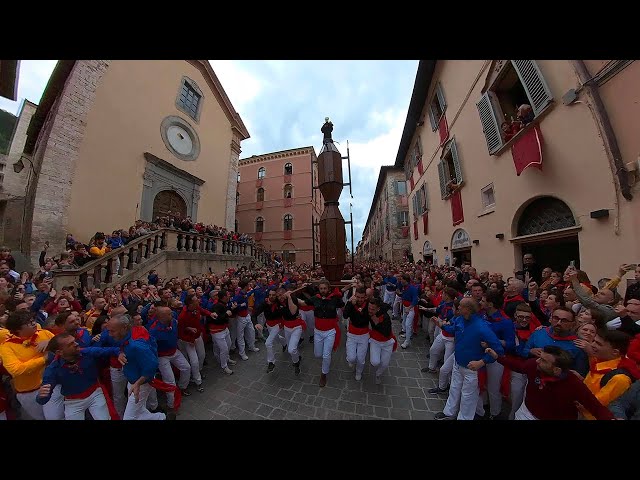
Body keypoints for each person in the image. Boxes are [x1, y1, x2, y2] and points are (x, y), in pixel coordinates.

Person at [485, 345, 614, 420]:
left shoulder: (574, 384)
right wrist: (498, 357)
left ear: (557, 369)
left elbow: (594, 406)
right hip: (526, 414)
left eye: (543, 361)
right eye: (540, 357)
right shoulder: (533, 366)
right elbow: (518, 366)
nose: (537, 361)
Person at [434, 298, 504, 420]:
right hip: (458, 362)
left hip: (472, 368)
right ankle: (449, 413)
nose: (458, 308)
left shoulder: (483, 327)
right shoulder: (460, 319)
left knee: (468, 396)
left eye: (461, 306)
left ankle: (464, 418)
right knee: (454, 389)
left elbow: (498, 350)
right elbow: (453, 329)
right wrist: (441, 326)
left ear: (468, 309)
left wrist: (482, 362)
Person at [36, 332, 122, 420]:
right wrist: (41, 395)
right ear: (59, 352)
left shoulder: (86, 352)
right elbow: (43, 400)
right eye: (71, 344)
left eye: (74, 341)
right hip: (73, 402)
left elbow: (109, 350)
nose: (76, 344)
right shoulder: (52, 369)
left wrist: (120, 353)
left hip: (95, 394)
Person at [106, 314, 170, 420]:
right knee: (140, 411)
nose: (110, 334)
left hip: (141, 385)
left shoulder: (136, 344)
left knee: (129, 418)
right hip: (133, 383)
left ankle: (161, 417)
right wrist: (120, 352)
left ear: (124, 328)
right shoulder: (125, 338)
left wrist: (138, 383)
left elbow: (152, 365)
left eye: (112, 331)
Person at [0, 311, 56, 420]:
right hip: (29, 392)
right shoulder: (6, 347)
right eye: (29, 323)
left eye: (33, 320)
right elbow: (16, 370)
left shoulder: (44, 333)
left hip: (53, 385)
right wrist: (43, 359)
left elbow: (63, 345)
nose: (34, 323)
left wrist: (51, 342)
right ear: (18, 329)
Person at [578, 329, 638, 419]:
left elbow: (592, 405)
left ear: (615, 352)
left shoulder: (620, 378)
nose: (592, 345)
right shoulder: (598, 362)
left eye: (598, 344)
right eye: (593, 341)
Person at [296, 280, 346, 387]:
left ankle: (324, 374)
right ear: (319, 289)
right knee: (318, 354)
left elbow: (343, 305)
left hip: (330, 331)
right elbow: (304, 303)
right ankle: (325, 364)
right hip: (318, 331)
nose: (323, 290)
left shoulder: (334, 299)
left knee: (326, 354)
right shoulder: (315, 298)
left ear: (328, 289)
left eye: (325, 288)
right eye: (321, 288)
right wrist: (292, 296)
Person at [479, 290, 516, 419]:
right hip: (481, 354)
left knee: (493, 388)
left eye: (483, 301)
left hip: (496, 359)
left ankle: (495, 413)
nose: (480, 302)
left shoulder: (506, 321)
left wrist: (492, 342)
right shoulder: (483, 314)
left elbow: (511, 344)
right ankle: (482, 407)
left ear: (490, 304)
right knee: (481, 383)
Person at [521, 306, 589, 376]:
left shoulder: (577, 345)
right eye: (556, 318)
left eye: (564, 320)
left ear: (572, 324)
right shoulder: (538, 333)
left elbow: (580, 373)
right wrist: (530, 352)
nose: (559, 323)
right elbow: (523, 352)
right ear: (550, 319)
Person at [149, 307, 192, 405]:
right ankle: (171, 403)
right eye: (169, 314)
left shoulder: (173, 321)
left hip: (174, 351)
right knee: (169, 380)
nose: (172, 315)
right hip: (162, 356)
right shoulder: (154, 330)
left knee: (186, 368)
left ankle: (182, 387)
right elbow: (152, 347)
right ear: (161, 317)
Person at [178, 294, 216, 391]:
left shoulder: (196, 307)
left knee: (202, 355)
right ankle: (197, 381)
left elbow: (202, 311)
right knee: (194, 361)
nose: (198, 300)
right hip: (189, 340)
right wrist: (190, 340)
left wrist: (210, 314)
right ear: (191, 304)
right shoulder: (183, 316)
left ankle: (197, 372)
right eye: (196, 300)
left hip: (197, 336)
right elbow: (180, 332)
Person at [253, 289, 286, 373]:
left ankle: (271, 362)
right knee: (276, 338)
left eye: (273, 295)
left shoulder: (279, 302)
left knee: (268, 342)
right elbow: (254, 314)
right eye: (270, 295)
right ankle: (284, 343)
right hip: (269, 324)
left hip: (277, 324)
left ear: (276, 295)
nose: (271, 296)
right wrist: (256, 323)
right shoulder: (264, 304)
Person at [342, 287, 370, 381]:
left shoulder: (368, 304)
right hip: (352, 335)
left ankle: (359, 372)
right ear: (355, 296)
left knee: (361, 359)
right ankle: (350, 359)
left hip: (364, 335)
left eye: (362, 297)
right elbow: (345, 315)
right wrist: (349, 303)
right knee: (351, 358)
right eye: (358, 297)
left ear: (365, 297)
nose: (360, 299)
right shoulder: (351, 303)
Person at [207, 290, 237, 375]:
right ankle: (224, 366)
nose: (229, 297)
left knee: (228, 344)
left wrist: (232, 309)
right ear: (224, 297)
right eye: (228, 295)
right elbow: (217, 319)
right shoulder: (216, 306)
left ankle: (227, 359)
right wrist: (227, 314)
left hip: (224, 329)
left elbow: (226, 313)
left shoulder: (223, 304)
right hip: (217, 331)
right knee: (223, 348)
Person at [367, 297, 396, 384]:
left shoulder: (385, 317)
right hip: (375, 341)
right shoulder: (368, 312)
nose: (370, 311)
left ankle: (378, 374)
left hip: (387, 343)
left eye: (373, 309)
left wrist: (377, 324)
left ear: (378, 309)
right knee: (375, 362)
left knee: (384, 364)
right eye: (369, 308)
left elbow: (386, 333)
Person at [398, 274, 419, 349]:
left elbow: (415, 299)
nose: (401, 280)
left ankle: (407, 341)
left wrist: (409, 307)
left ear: (406, 280)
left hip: (410, 308)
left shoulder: (413, 288)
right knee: (404, 321)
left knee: (408, 324)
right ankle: (407, 334)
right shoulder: (404, 286)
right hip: (405, 306)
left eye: (402, 279)